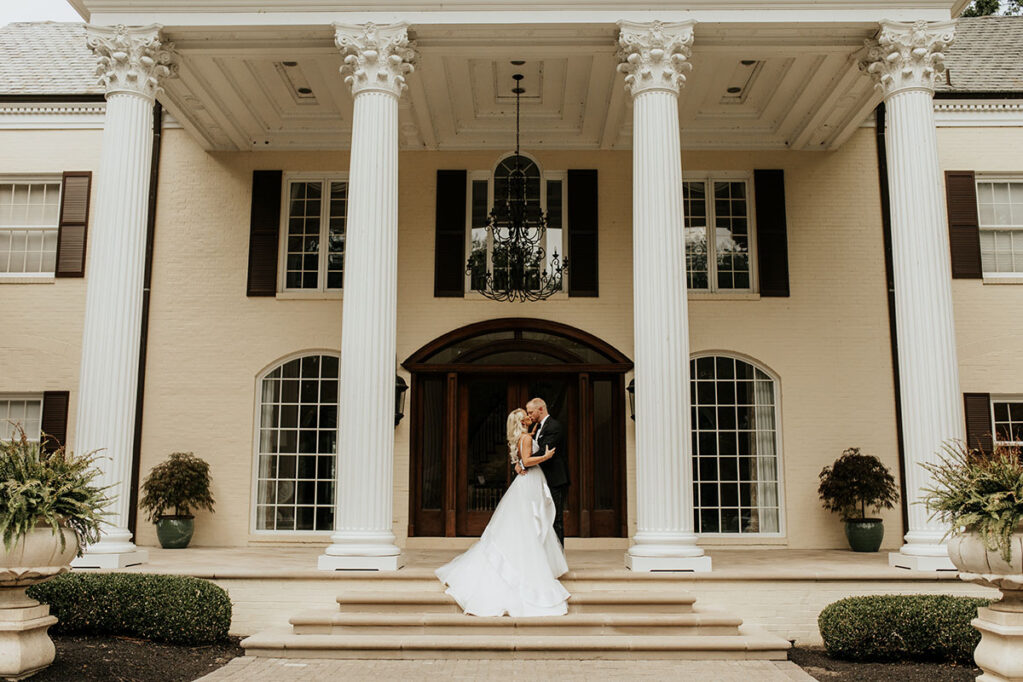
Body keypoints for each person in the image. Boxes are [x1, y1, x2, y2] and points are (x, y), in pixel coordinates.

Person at [435, 408, 569, 617]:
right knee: (528, 523)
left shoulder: (524, 436)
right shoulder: (525, 438)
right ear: (521, 421)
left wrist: (530, 440)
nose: (528, 416)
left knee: (528, 523)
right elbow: (525, 461)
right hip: (530, 481)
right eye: (525, 414)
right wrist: (545, 456)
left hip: (528, 482)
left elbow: (519, 461)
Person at [519, 397, 569, 546]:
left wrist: (523, 463)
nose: (529, 416)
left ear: (541, 409)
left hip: (555, 479)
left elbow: (544, 451)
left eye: (531, 412)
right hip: (541, 479)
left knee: (556, 518)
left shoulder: (554, 426)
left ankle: (559, 558)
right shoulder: (538, 427)